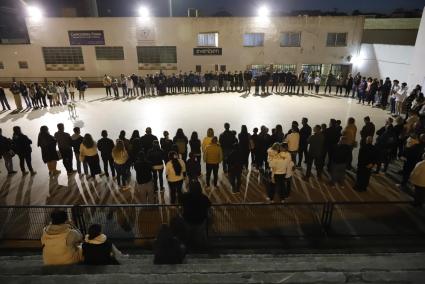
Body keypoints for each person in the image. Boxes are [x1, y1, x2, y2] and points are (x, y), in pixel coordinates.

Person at [181, 181, 211, 247]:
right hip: (200, 220)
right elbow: (209, 206)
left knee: (188, 235)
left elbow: (181, 203)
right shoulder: (204, 197)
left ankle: (189, 246)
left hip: (188, 220)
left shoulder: (185, 197)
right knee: (200, 236)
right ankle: (201, 247)